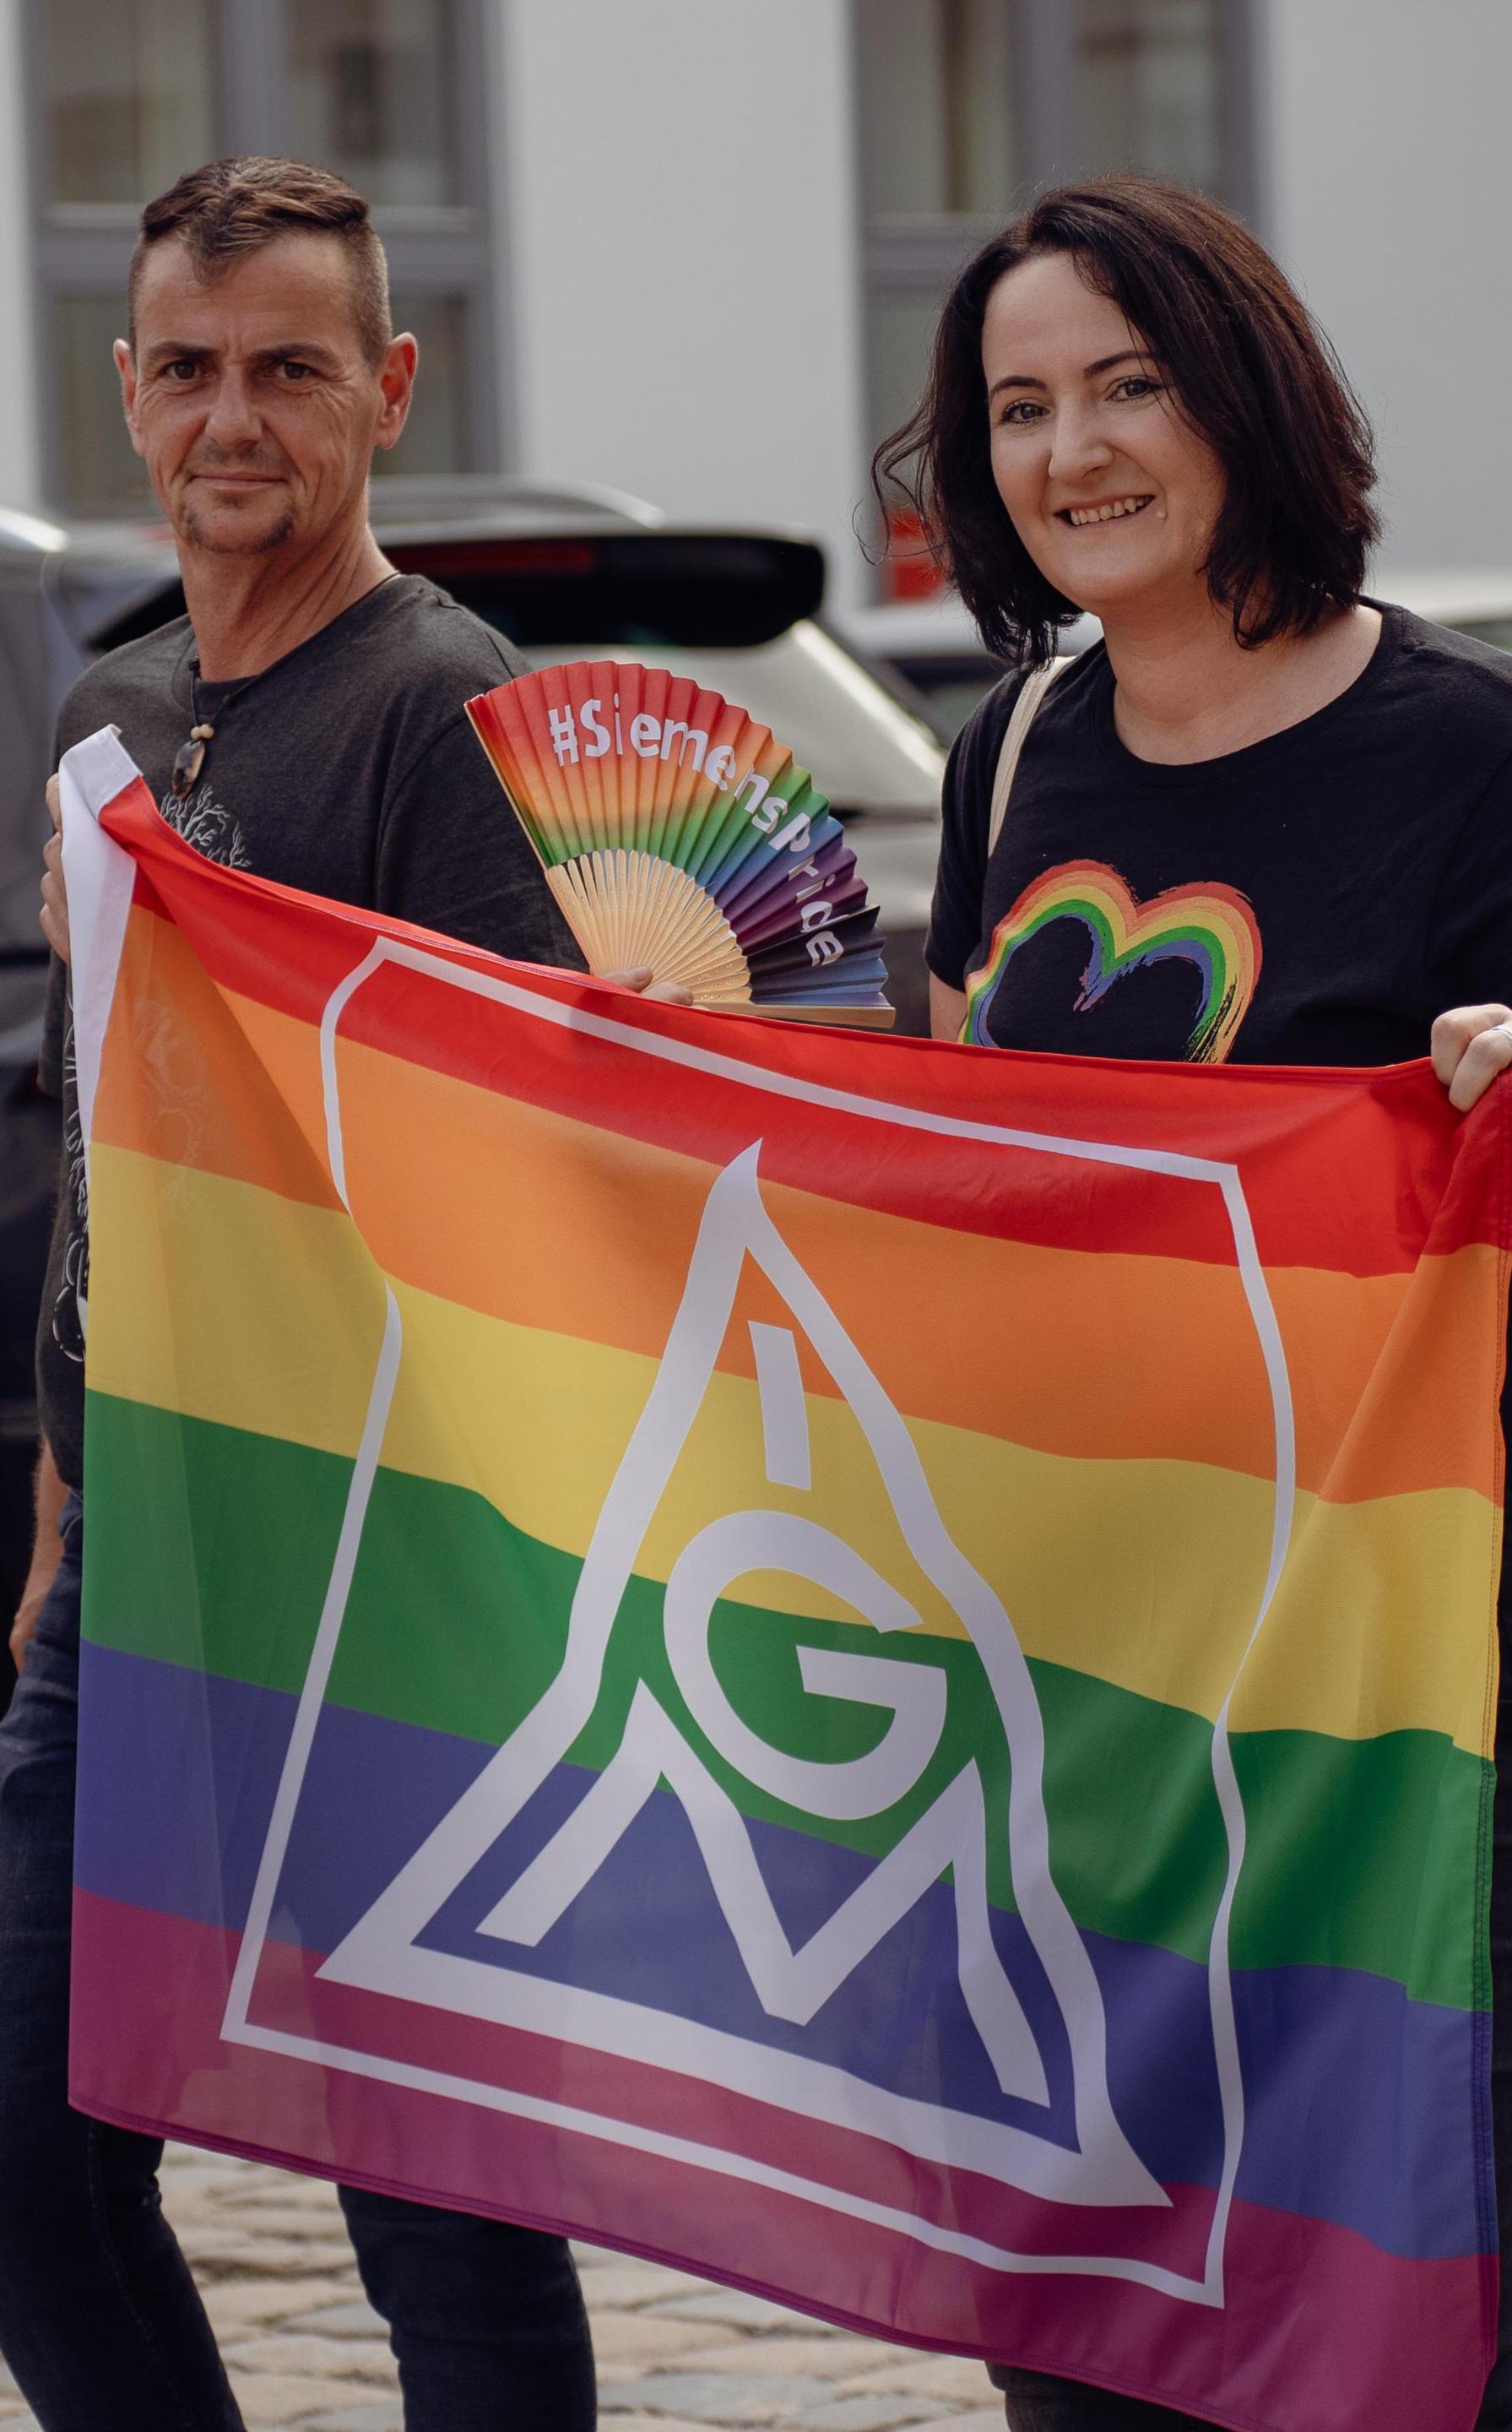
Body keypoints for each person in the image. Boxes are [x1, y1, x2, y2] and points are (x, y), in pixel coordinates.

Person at [877, 177, 1512, 2431]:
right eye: (1019, 406)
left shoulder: (1496, 762)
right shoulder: (1013, 757)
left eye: (1128, 383)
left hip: (1429, 1709)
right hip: (1084, 1712)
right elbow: (951, 1191)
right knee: (1090, 2345)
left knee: (1387, 2354)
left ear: (1250, 401)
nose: (1072, 449)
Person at [1, 155, 671, 2432]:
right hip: (141, 1565)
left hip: (385, 1581)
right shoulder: (105, 712)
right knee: (20, 2134)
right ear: (126, 390)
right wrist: (63, 1515)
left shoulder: (448, 707)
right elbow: (109, 1157)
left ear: (388, 386)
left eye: (291, 368)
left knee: (438, 2204)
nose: (232, 418)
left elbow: (527, 1184)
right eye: (186, 369)